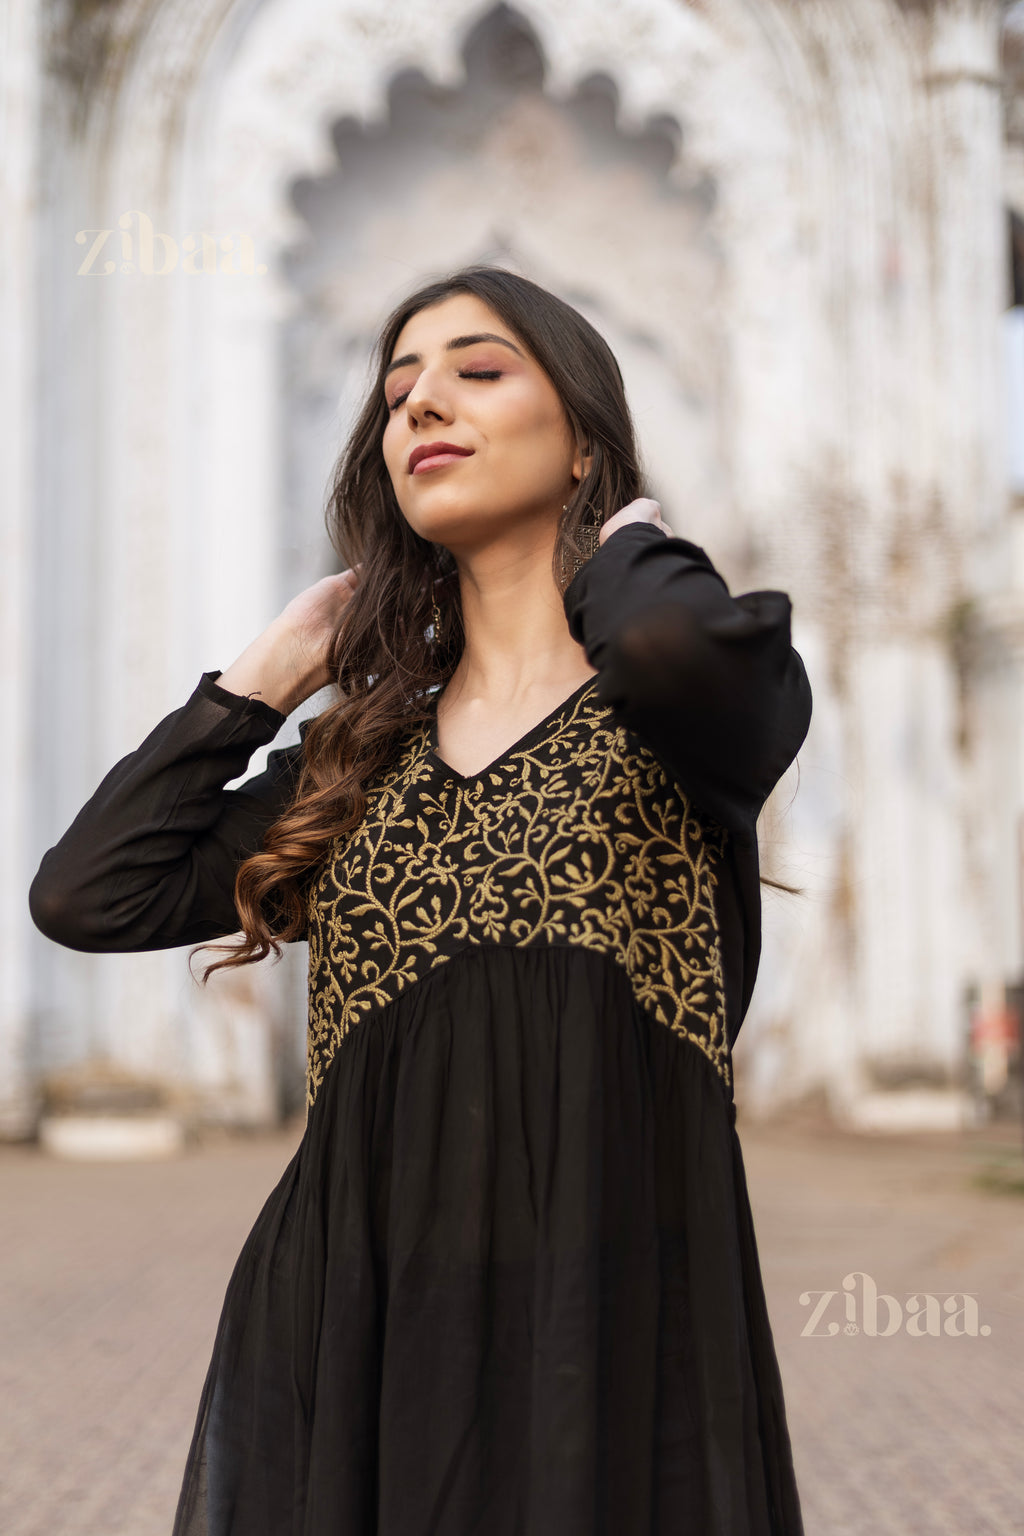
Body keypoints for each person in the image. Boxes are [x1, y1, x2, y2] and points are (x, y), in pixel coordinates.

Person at [29, 265, 812, 1535]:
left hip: (607, 1335)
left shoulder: (681, 717)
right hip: (356, 1333)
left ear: (581, 448)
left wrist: (627, 550)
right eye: (397, 390)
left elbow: (671, 647)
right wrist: (264, 680)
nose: (421, 406)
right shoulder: (358, 760)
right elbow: (88, 893)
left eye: (479, 371)